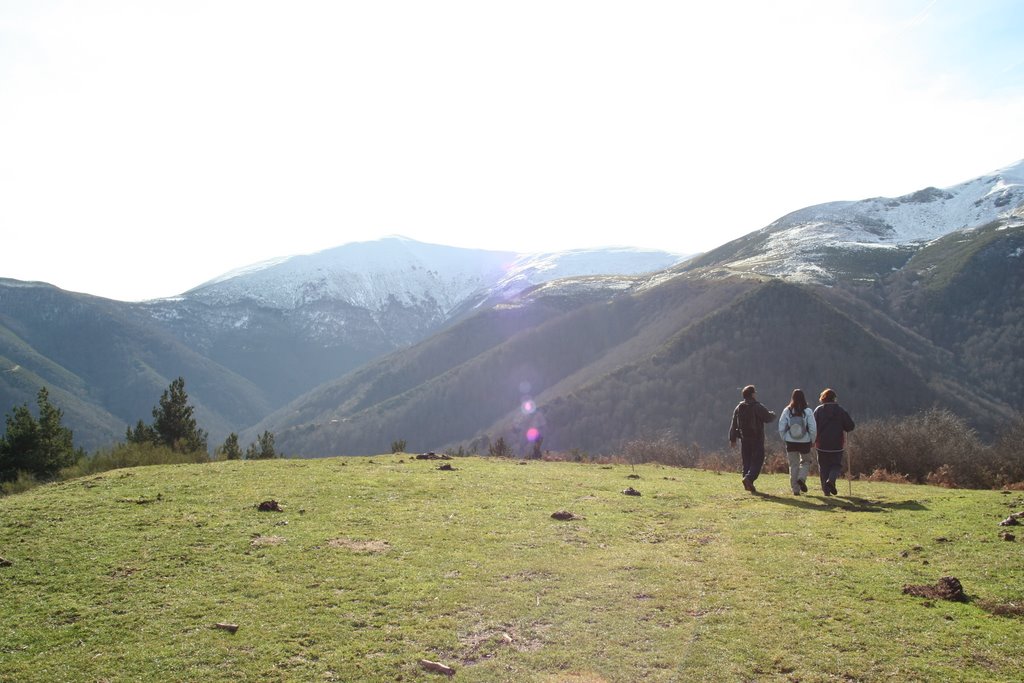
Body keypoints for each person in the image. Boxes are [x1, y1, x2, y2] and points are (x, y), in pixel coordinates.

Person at [729, 385, 776, 493]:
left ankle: (748, 483)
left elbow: (734, 423)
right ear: (752, 394)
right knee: (758, 460)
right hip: (757, 438)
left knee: (747, 461)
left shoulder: (739, 407)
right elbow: (768, 418)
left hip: (744, 438)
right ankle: (749, 478)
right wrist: (774, 414)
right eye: (755, 392)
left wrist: (733, 439)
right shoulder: (757, 406)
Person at [812, 388, 855, 496]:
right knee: (836, 465)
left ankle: (826, 491)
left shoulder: (818, 410)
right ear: (834, 398)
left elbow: (812, 426)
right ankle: (831, 480)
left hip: (821, 444)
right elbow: (850, 426)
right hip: (837, 444)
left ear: (823, 398)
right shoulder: (840, 411)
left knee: (823, 467)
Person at [778, 389, 817, 495]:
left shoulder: (787, 410)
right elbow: (813, 428)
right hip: (805, 442)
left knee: (793, 465)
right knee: (806, 462)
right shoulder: (808, 411)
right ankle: (801, 478)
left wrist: (785, 437)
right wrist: (812, 440)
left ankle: (795, 490)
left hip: (790, 442)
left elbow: (781, 427)